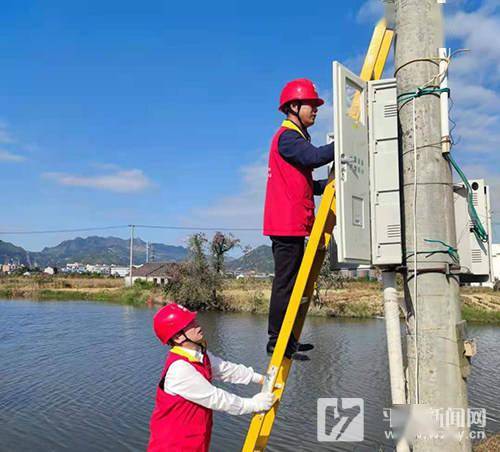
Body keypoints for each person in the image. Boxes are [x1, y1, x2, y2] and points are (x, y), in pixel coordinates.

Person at [263, 78, 334, 360]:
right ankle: (276, 341)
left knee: (293, 284)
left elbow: (305, 181)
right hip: (286, 223)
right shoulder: (288, 137)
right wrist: (346, 144)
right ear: (293, 106)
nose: (315, 110)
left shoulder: (296, 139)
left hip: (293, 223)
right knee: (286, 282)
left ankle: (287, 339)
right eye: (311, 105)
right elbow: (315, 157)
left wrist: (325, 186)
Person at [148, 303, 274, 452]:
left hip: (194, 444)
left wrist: (258, 378)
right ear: (177, 337)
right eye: (190, 324)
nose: (197, 325)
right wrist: (252, 404)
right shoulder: (180, 369)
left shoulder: (199, 355)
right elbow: (216, 398)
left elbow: (225, 369)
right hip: (173, 447)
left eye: (193, 321)